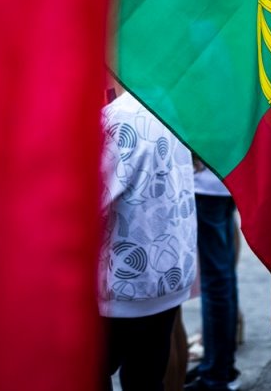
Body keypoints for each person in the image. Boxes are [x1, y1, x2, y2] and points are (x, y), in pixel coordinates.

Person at [100, 90, 198, 391]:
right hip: (167, 274)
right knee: (147, 378)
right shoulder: (170, 103)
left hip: (124, 283)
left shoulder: (118, 117)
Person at [184, 157, 240, 391]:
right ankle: (220, 366)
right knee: (223, 277)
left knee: (216, 281)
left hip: (207, 182)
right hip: (224, 177)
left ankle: (216, 375)